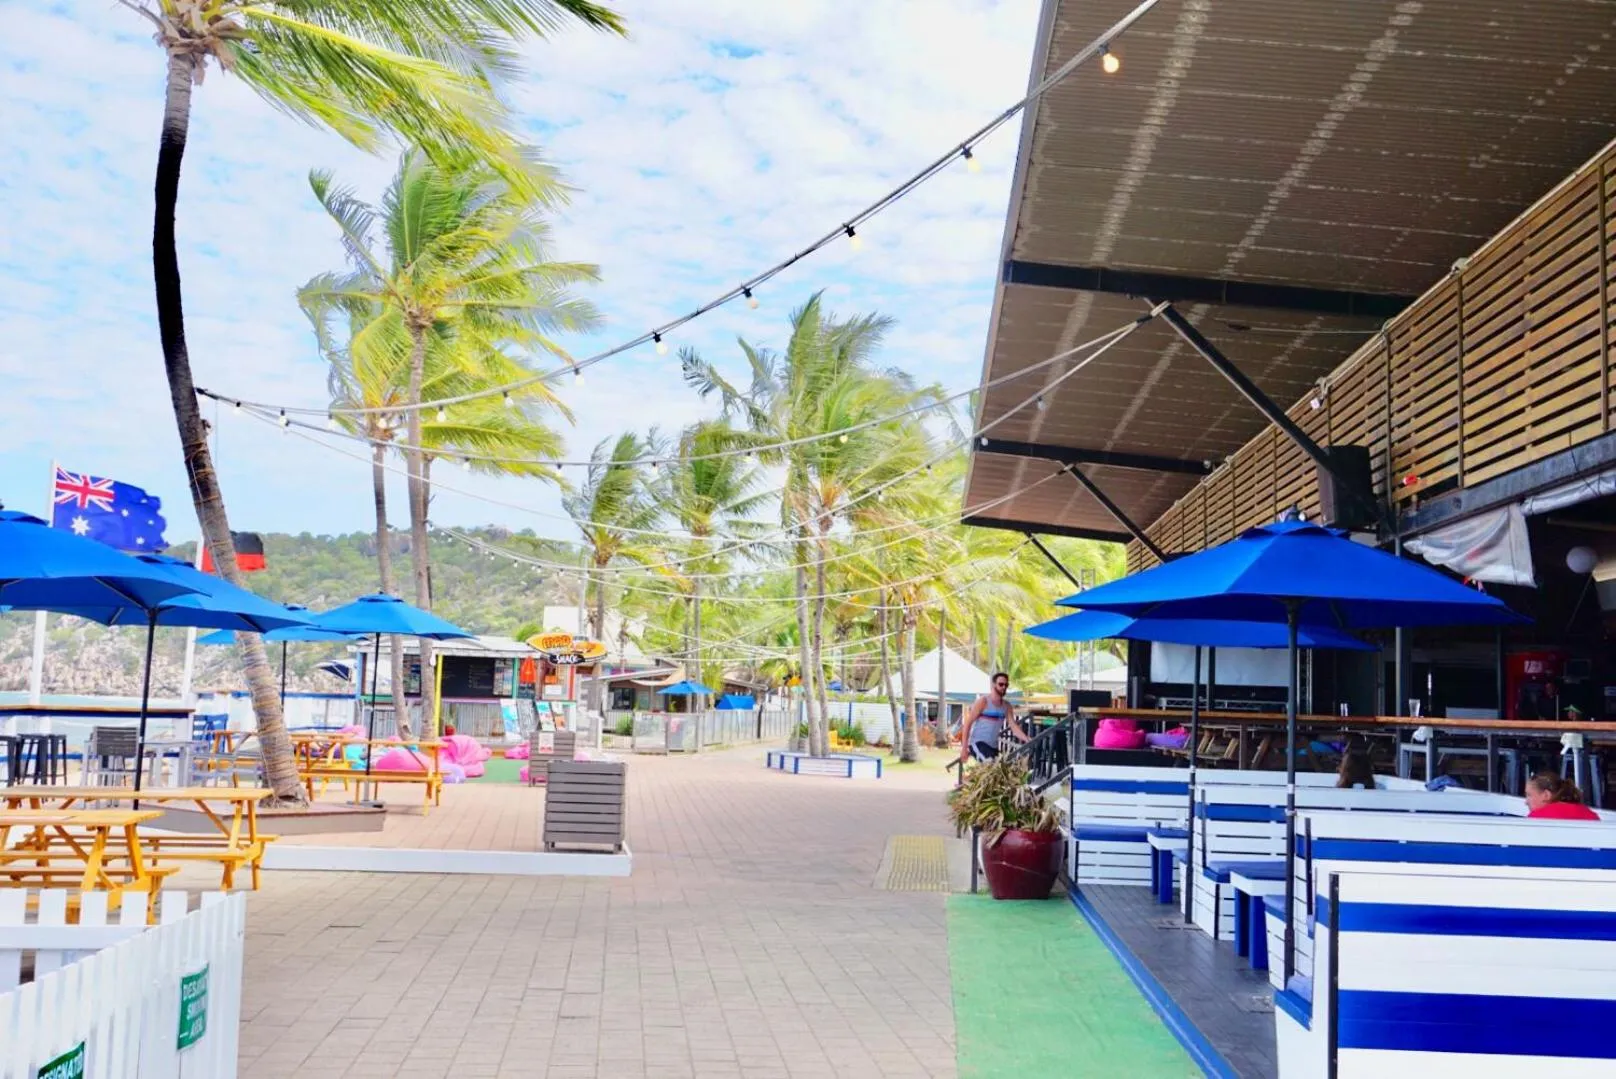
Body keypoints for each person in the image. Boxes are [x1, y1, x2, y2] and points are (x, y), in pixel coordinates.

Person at [959, 671, 1029, 762]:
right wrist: (964, 748)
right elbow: (968, 724)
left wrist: (1027, 739)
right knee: (991, 766)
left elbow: (1014, 727)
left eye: (1006, 685)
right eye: (1001, 684)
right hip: (978, 743)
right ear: (993, 685)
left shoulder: (1007, 706)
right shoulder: (983, 701)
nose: (1004, 687)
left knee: (997, 773)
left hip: (993, 746)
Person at [1525, 772, 1601, 820]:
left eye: (1529, 795)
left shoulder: (1537, 818)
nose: (1526, 802)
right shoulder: (1590, 814)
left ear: (1546, 795)